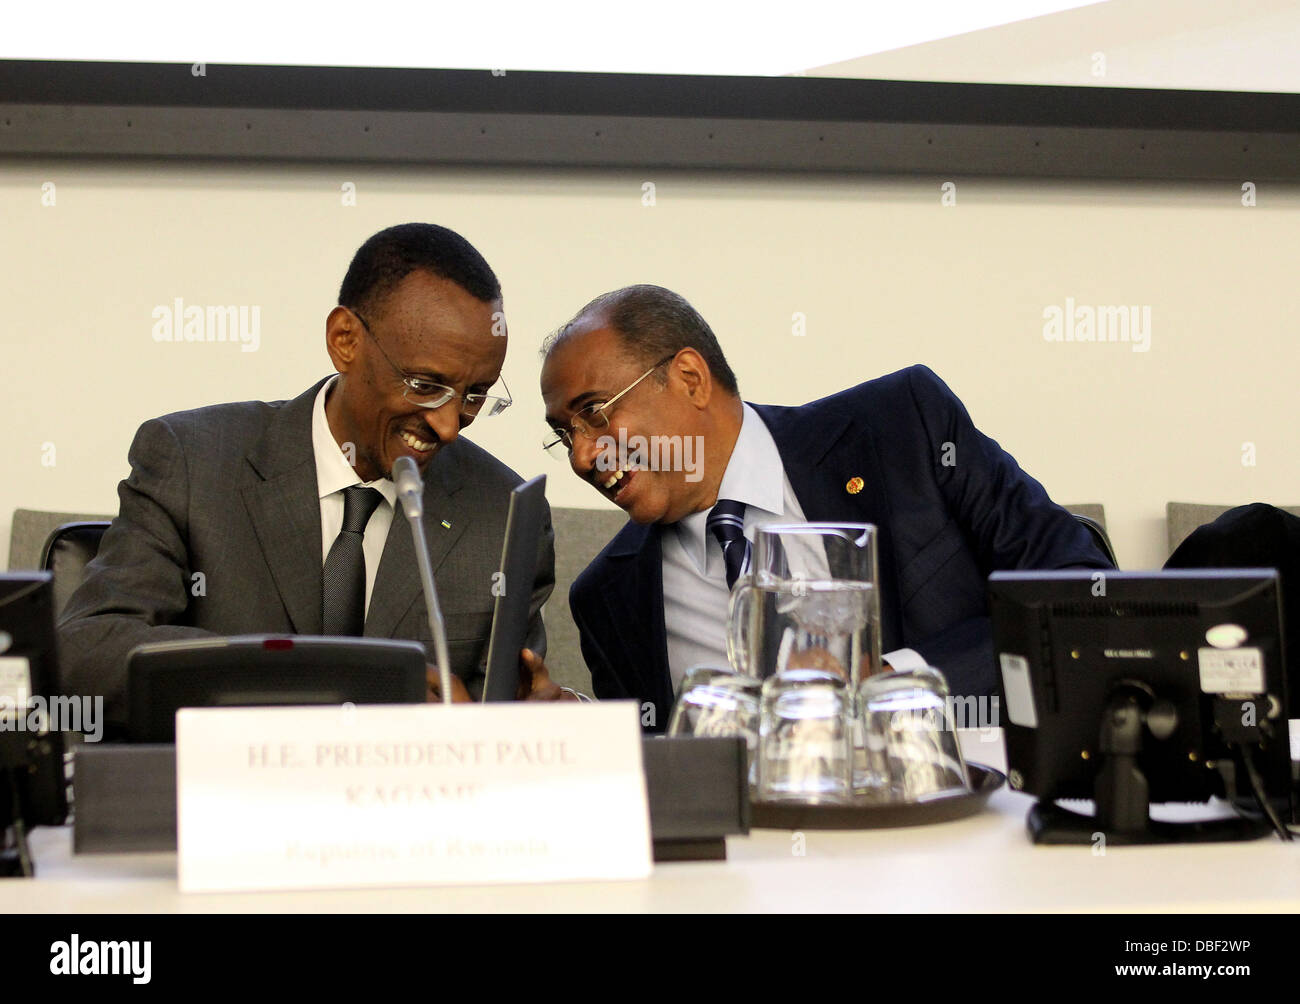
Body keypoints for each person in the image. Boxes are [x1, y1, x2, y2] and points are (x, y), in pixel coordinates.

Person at [60, 223, 568, 734]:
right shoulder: (193, 461)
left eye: (475, 395)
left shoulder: (502, 514)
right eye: (425, 385)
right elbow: (88, 655)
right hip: (222, 802)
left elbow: (496, 731)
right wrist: (332, 688)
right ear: (344, 340)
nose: (449, 424)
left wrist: (529, 725)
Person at [539, 284, 1112, 730]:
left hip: (962, 827)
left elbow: (1083, 597)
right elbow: (660, 779)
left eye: (594, 412)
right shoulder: (607, 598)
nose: (584, 457)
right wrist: (582, 727)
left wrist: (889, 679)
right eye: (565, 434)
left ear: (689, 378)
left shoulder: (902, 428)